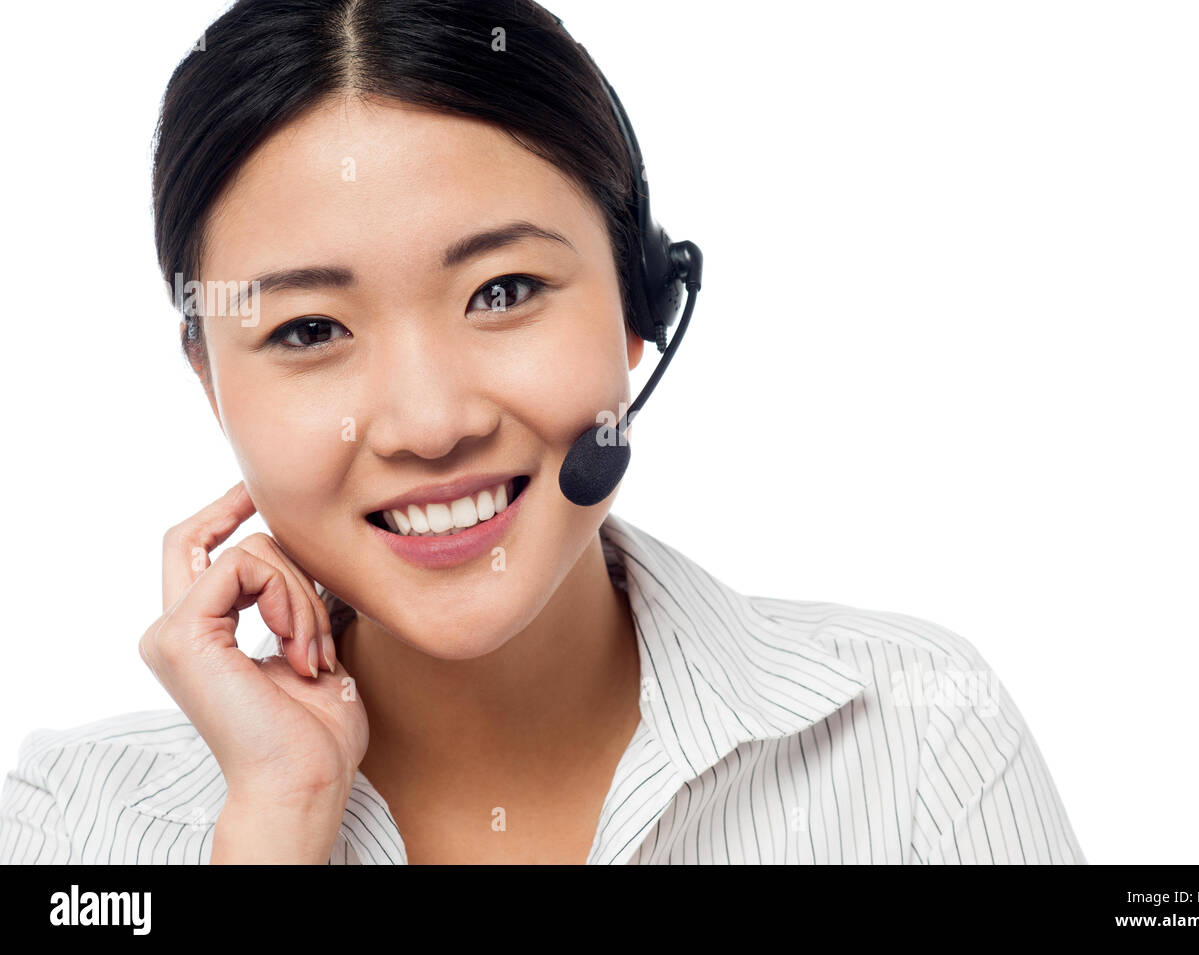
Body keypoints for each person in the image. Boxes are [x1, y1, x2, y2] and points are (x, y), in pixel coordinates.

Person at [0, 0, 1084, 864]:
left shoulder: (915, 738)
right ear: (211, 384)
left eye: (504, 288)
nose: (430, 424)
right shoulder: (69, 826)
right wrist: (279, 817)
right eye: (310, 326)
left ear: (639, 307)